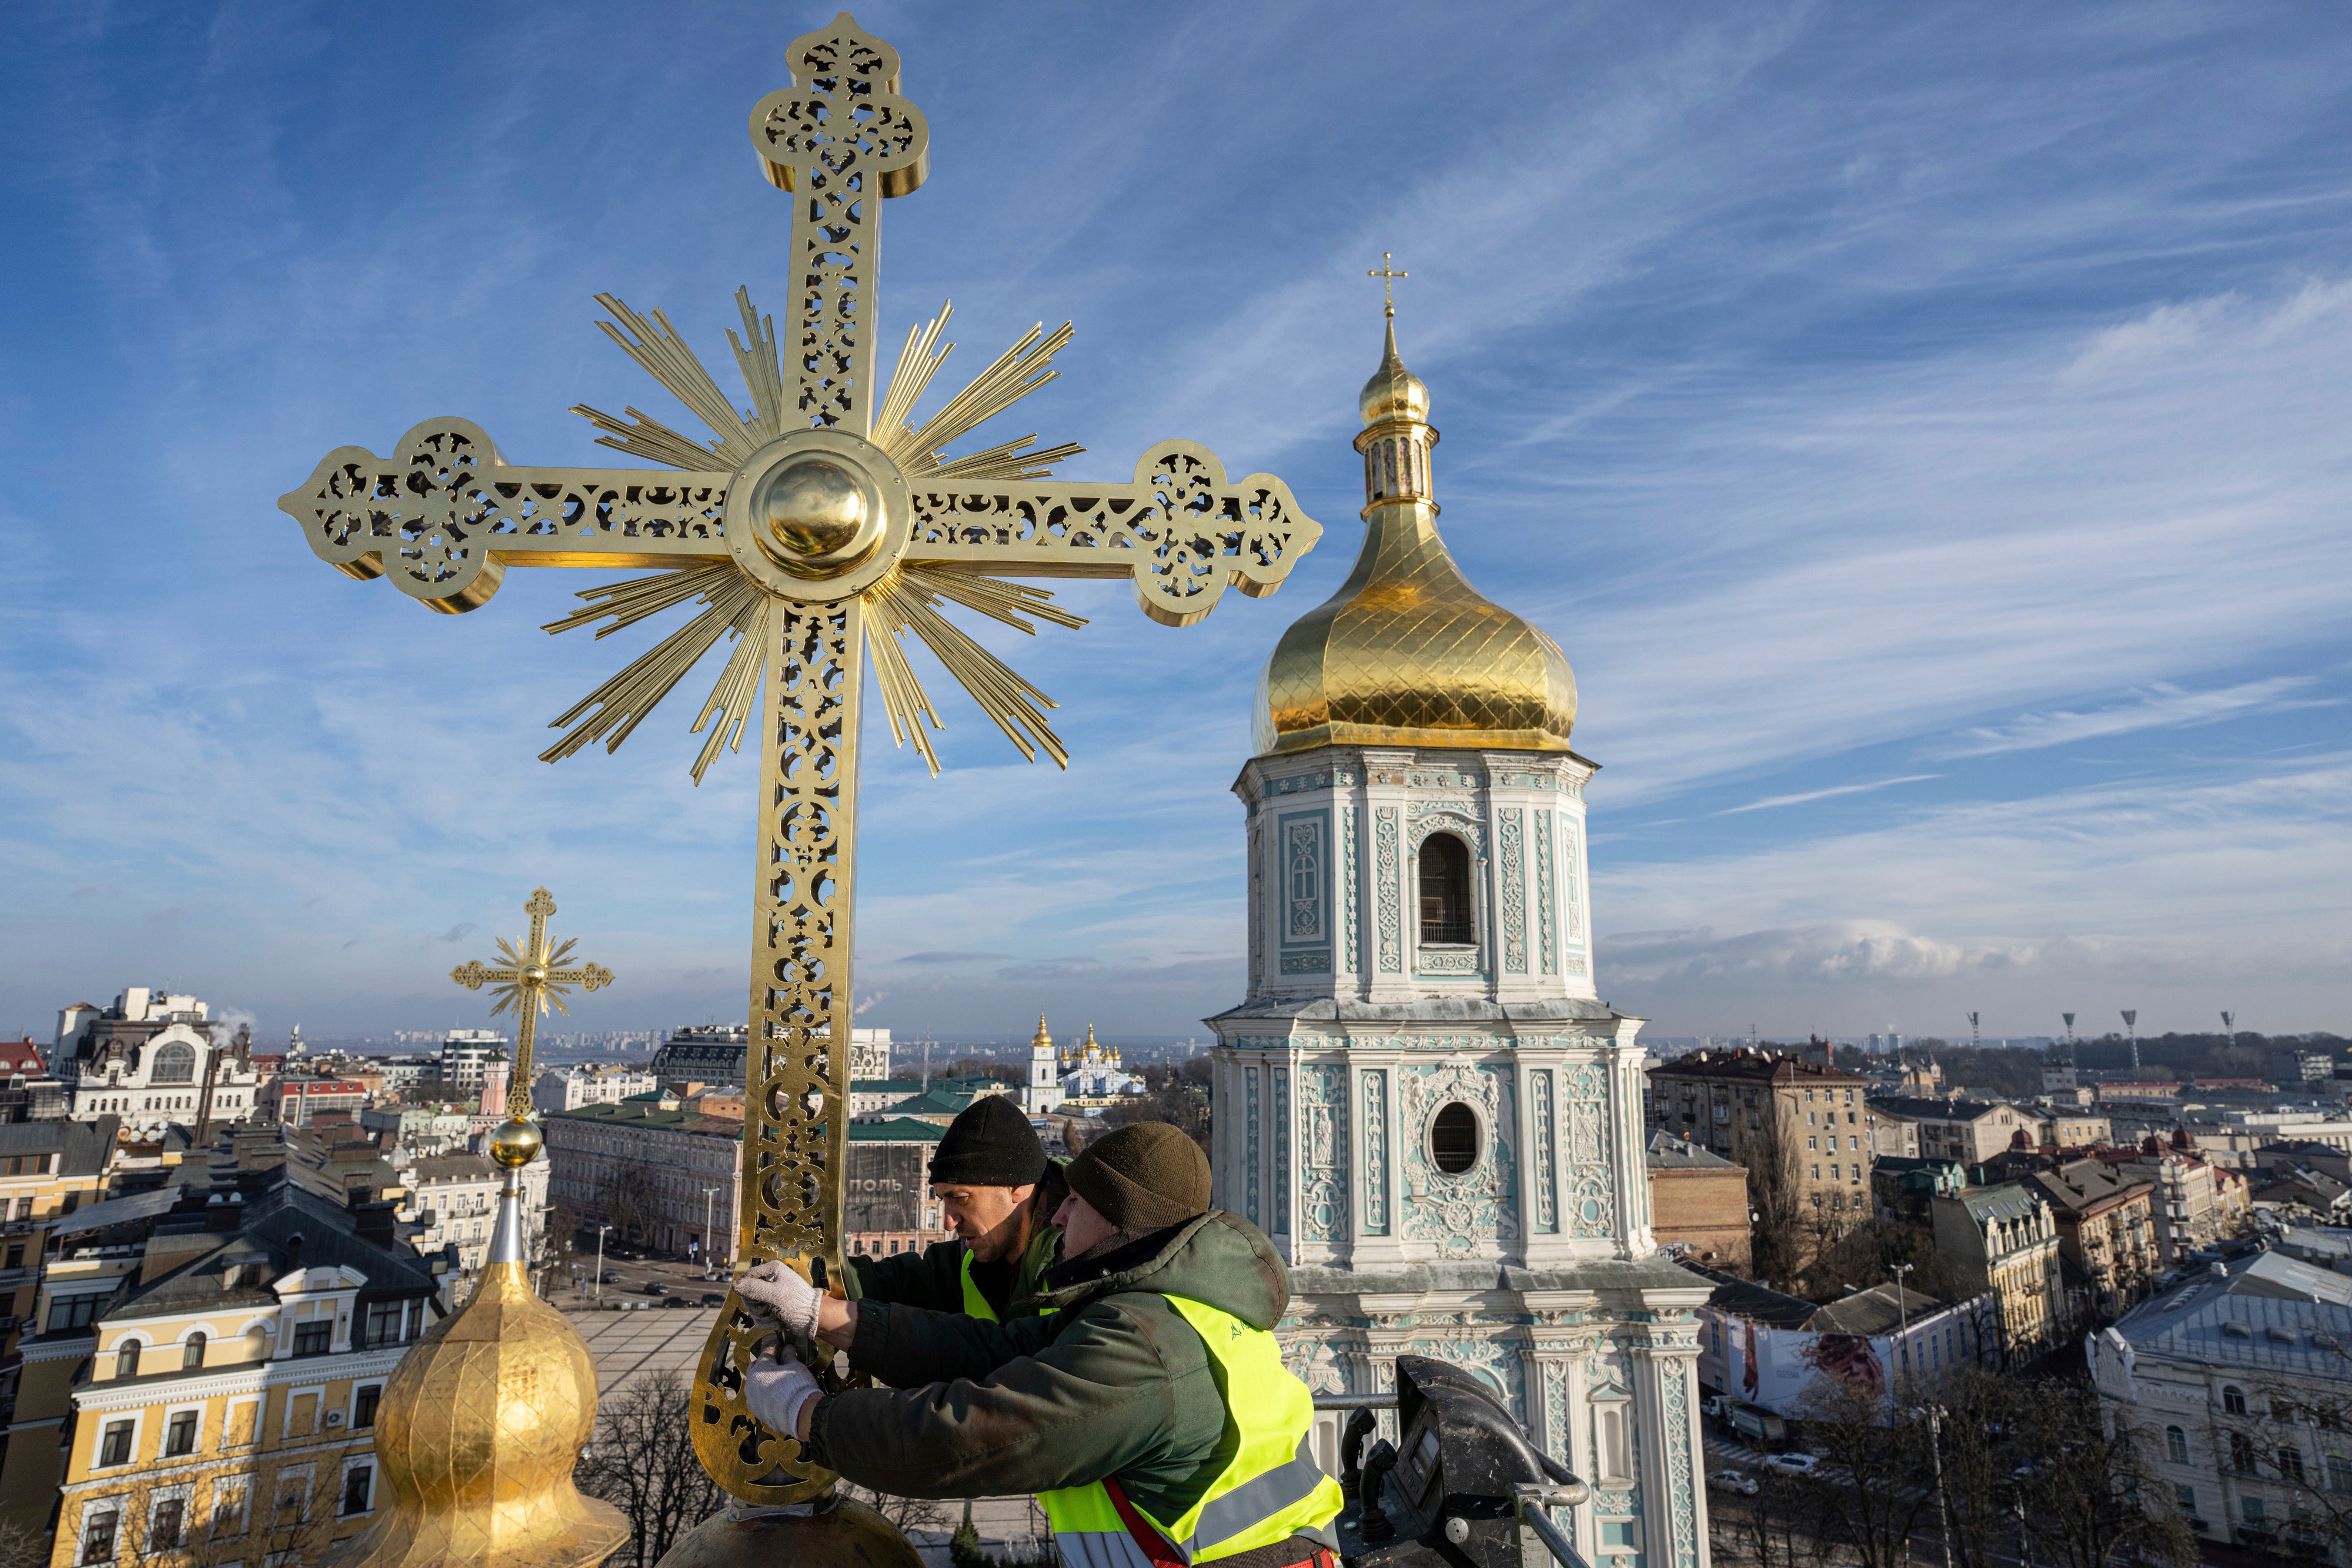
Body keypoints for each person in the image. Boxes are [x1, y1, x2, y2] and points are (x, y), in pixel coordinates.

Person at [739, 1122, 1343, 1568]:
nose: (1058, 1219)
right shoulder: (1156, 1313)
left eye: (1075, 1201)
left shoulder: (1145, 1348)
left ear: (1115, 1220)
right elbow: (996, 1351)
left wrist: (806, 1414)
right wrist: (825, 1315)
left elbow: (970, 1436)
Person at [838, 1092, 1065, 1322]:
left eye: (961, 1199)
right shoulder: (967, 1259)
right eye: (942, 1200)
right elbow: (892, 1281)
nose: (949, 1223)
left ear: (1016, 1188)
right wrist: (817, 1276)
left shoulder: (1081, 1263)